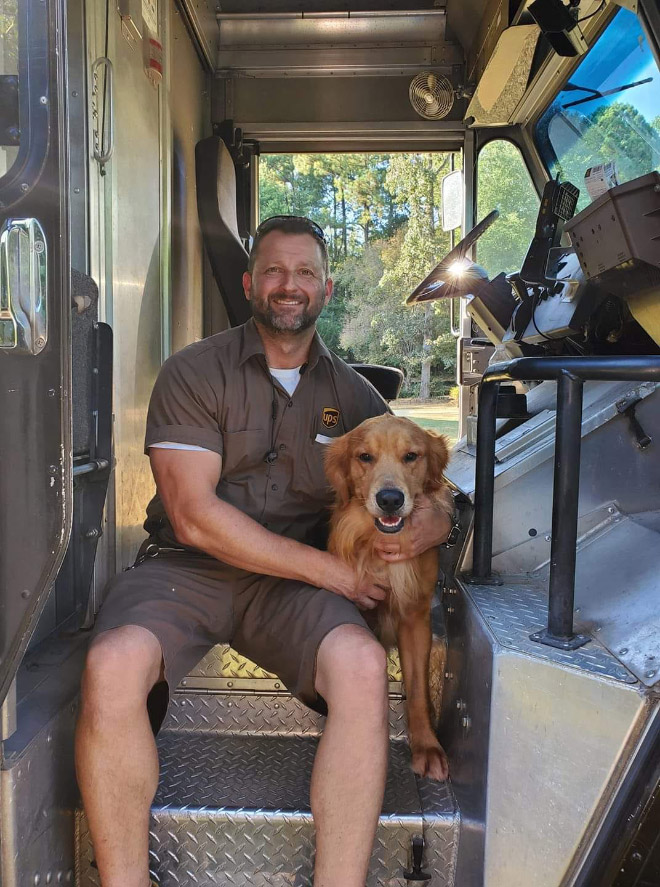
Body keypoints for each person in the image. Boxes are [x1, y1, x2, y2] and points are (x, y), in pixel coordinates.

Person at [75, 215, 451, 887]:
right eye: (274, 271)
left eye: (305, 273)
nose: (289, 286)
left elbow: (420, 469)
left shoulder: (352, 398)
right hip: (185, 569)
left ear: (326, 289)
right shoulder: (195, 370)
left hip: (288, 593)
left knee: (365, 665)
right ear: (250, 283)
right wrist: (331, 571)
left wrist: (437, 520)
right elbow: (193, 516)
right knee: (111, 662)